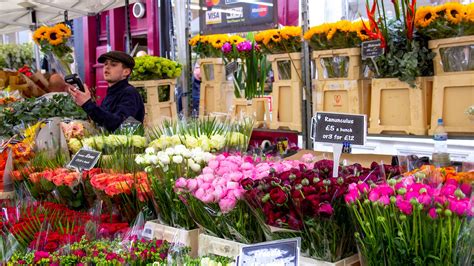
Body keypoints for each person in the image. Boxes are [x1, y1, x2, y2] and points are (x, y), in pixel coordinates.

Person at [67, 51, 145, 132]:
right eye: (105, 64)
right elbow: (104, 120)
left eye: (113, 64)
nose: (107, 67)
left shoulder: (129, 93)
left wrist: (87, 104)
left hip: (126, 144)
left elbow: (120, 125)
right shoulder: (112, 92)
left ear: (126, 72)